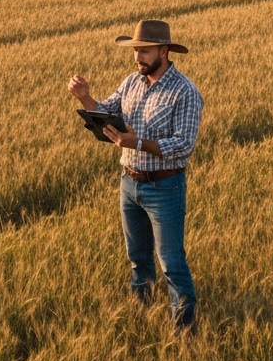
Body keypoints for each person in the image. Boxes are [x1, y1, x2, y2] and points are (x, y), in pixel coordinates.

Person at [68, 19, 204, 331]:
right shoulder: (132, 82)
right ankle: (140, 315)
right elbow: (107, 111)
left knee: (171, 263)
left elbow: (184, 144)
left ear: (164, 51)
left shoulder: (185, 92)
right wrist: (86, 99)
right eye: (135, 51)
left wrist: (137, 142)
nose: (138, 56)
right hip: (129, 183)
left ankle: (185, 331)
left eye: (144, 50)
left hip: (165, 187)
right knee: (137, 259)